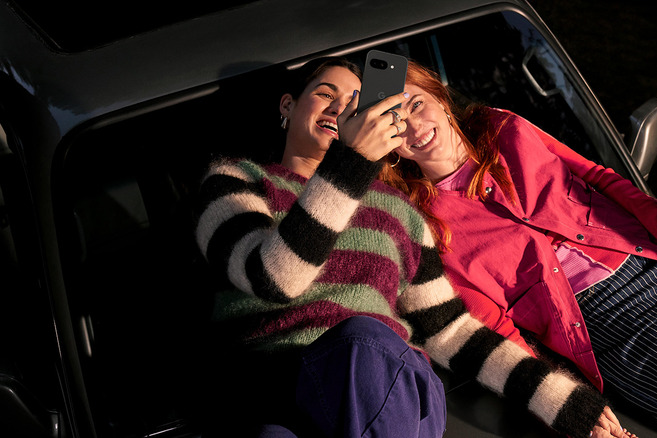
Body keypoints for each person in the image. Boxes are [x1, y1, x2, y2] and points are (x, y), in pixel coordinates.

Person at [195, 57, 631, 438]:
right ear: (288, 106)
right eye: (324, 94)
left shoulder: (396, 212)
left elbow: (452, 330)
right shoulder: (235, 182)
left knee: (363, 339)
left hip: (381, 384)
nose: (338, 109)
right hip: (280, 394)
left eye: (354, 104)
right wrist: (351, 164)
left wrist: (566, 403)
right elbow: (275, 277)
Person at [381, 60, 657, 437]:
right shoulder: (424, 227)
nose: (415, 127)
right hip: (617, 321)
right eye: (396, 124)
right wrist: (565, 404)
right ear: (391, 147)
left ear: (441, 98)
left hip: (653, 253)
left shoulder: (502, 127)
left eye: (417, 104)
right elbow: (490, 329)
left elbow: (594, 174)